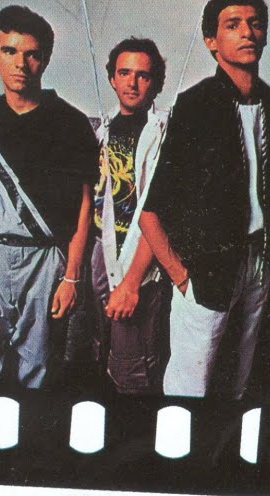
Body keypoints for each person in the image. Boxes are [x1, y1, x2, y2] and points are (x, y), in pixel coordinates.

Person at [0, 5, 99, 388]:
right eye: (9, 51)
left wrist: (72, 277)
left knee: (38, 375)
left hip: (43, 260)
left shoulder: (71, 124)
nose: (20, 64)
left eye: (31, 54)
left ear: (45, 58)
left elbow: (83, 206)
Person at [138, 0, 270, 399]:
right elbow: (152, 209)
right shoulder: (196, 105)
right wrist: (181, 275)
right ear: (211, 41)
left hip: (258, 260)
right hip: (206, 268)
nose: (248, 33)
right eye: (233, 24)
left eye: (255, 24)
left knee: (240, 376)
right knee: (191, 383)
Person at [89, 37, 172, 394]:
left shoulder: (167, 132)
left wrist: (134, 281)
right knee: (96, 349)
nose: (132, 83)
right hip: (99, 250)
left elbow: (163, 212)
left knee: (132, 366)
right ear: (112, 78)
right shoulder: (100, 129)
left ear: (156, 83)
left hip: (140, 257)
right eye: (124, 73)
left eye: (143, 75)